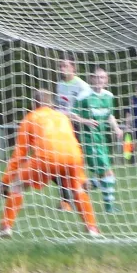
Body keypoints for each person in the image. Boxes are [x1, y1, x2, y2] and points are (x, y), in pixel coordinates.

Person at [0, 89, 100, 238]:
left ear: (34, 103)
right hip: (73, 157)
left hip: (47, 156)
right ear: (51, 103)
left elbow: (19, 155)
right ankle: (92, 229)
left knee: (17, 184)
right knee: (77, 189)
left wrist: (4, 182)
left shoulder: (31, 118)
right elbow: (70, 142)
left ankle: (5, 227)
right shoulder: (61, 116)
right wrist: (81, 177)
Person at [73, 68, 123, 213]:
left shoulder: (109, 96)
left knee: (102, 176)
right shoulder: (84, 96)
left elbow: (110, 116)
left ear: (106, 80)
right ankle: (109, 208)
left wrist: (117, 129)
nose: (100, 80)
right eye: (97, 77)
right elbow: (71, 115)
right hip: (90, 141)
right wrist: (86, 121)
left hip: (103, 141)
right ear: (92, 79)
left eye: (102, 78)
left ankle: (76, 191)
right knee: (108, 174)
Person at [54, 55, 92, 211]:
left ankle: (69, 199)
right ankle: (73, 192)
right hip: (60, 128)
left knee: (68, 165)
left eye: (65, 66)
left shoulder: (82, 86)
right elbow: (59, 106)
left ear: (73, 68)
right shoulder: (60, 85)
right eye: (61, 66)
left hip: (75, 129)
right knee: (56, 166)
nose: (63, 68)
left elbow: (87, 108)